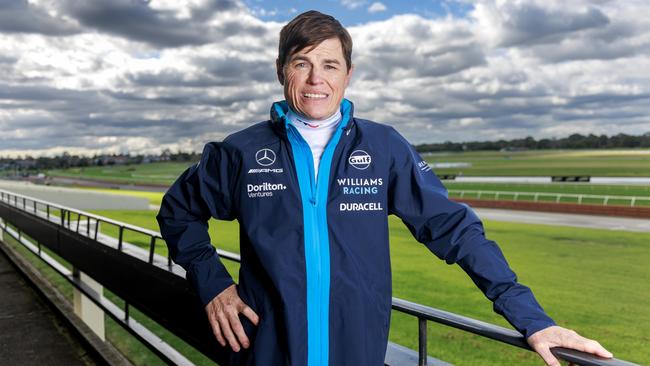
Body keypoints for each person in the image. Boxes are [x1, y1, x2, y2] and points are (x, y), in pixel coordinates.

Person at [157, 10, 613, 366]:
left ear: (348, 74)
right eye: (303, 63)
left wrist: (532, 320)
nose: (317, 79)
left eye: (330, 65)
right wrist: (213, 284)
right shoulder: (239, 152)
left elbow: (455, 230)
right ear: (282, 71)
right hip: (264, 355)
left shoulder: (384, 147)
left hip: (358, 355)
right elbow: (178, 213)